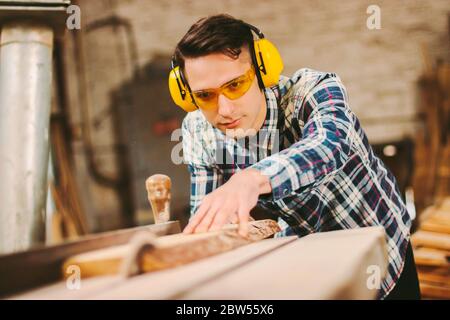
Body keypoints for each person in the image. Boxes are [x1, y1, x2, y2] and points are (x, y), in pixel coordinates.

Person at [168, 14, 420, 299]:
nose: (223, 109)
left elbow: (329, 146)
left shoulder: (312, 91)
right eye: (205, 95)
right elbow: (209, 222)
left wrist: (251, 180)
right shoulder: (198, 130)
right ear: (187, 95)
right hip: (310, 255)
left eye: (235, 85)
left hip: (383, 251)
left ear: (263, 72)